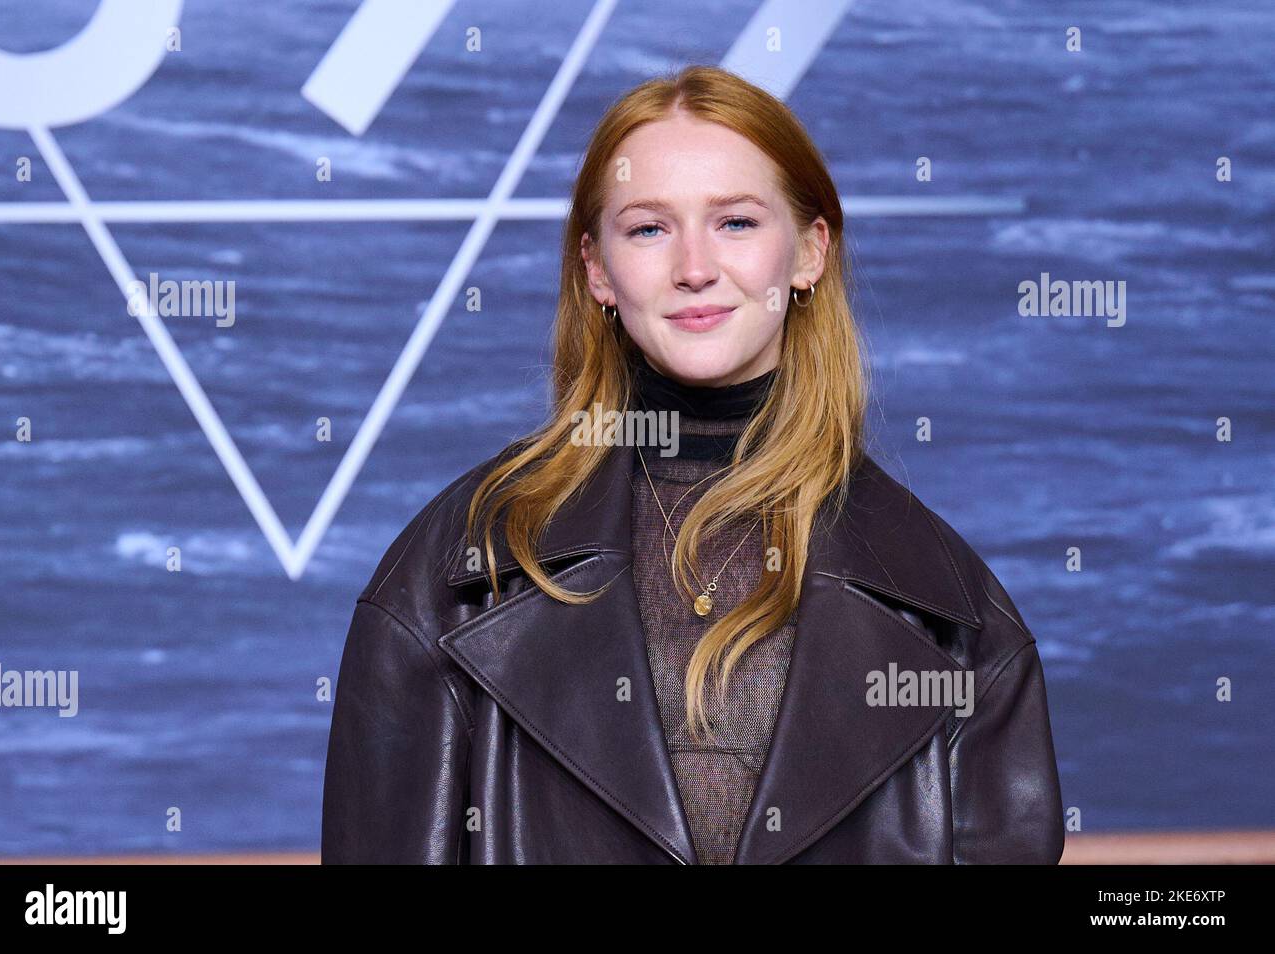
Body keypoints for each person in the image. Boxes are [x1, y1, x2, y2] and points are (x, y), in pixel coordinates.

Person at [321, 64, 1065, 864]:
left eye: (737, 222)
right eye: (648, 228)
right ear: (598, 270)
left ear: (810, 252)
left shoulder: (955, 615)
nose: (695, 268)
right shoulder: (451, 577)